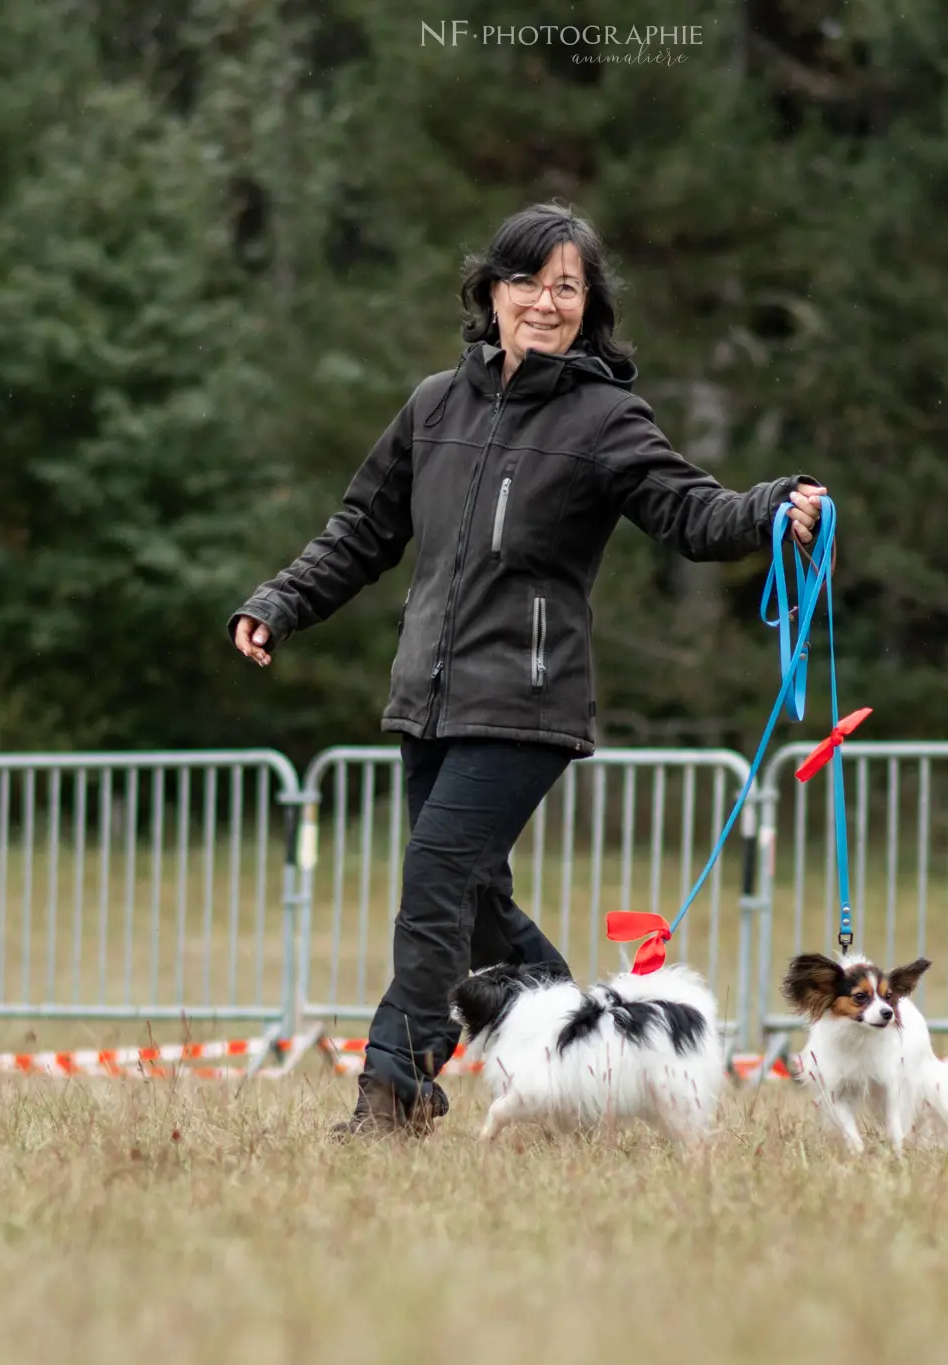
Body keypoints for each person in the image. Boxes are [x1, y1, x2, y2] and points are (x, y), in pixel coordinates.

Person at [228, 202, 826, 1138]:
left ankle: (397, 1090)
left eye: (567, 288)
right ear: (490, 291)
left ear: (589, 308)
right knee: (474, 907)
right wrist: (279, 601)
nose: (544, 303)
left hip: (527, 700)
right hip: (427, 693)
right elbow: (362, 530)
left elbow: (687, 509)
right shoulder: (434, 403)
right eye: (526, 282)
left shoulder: (605, 417)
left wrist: (769, 506)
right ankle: (600, 1051)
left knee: (434, 877)